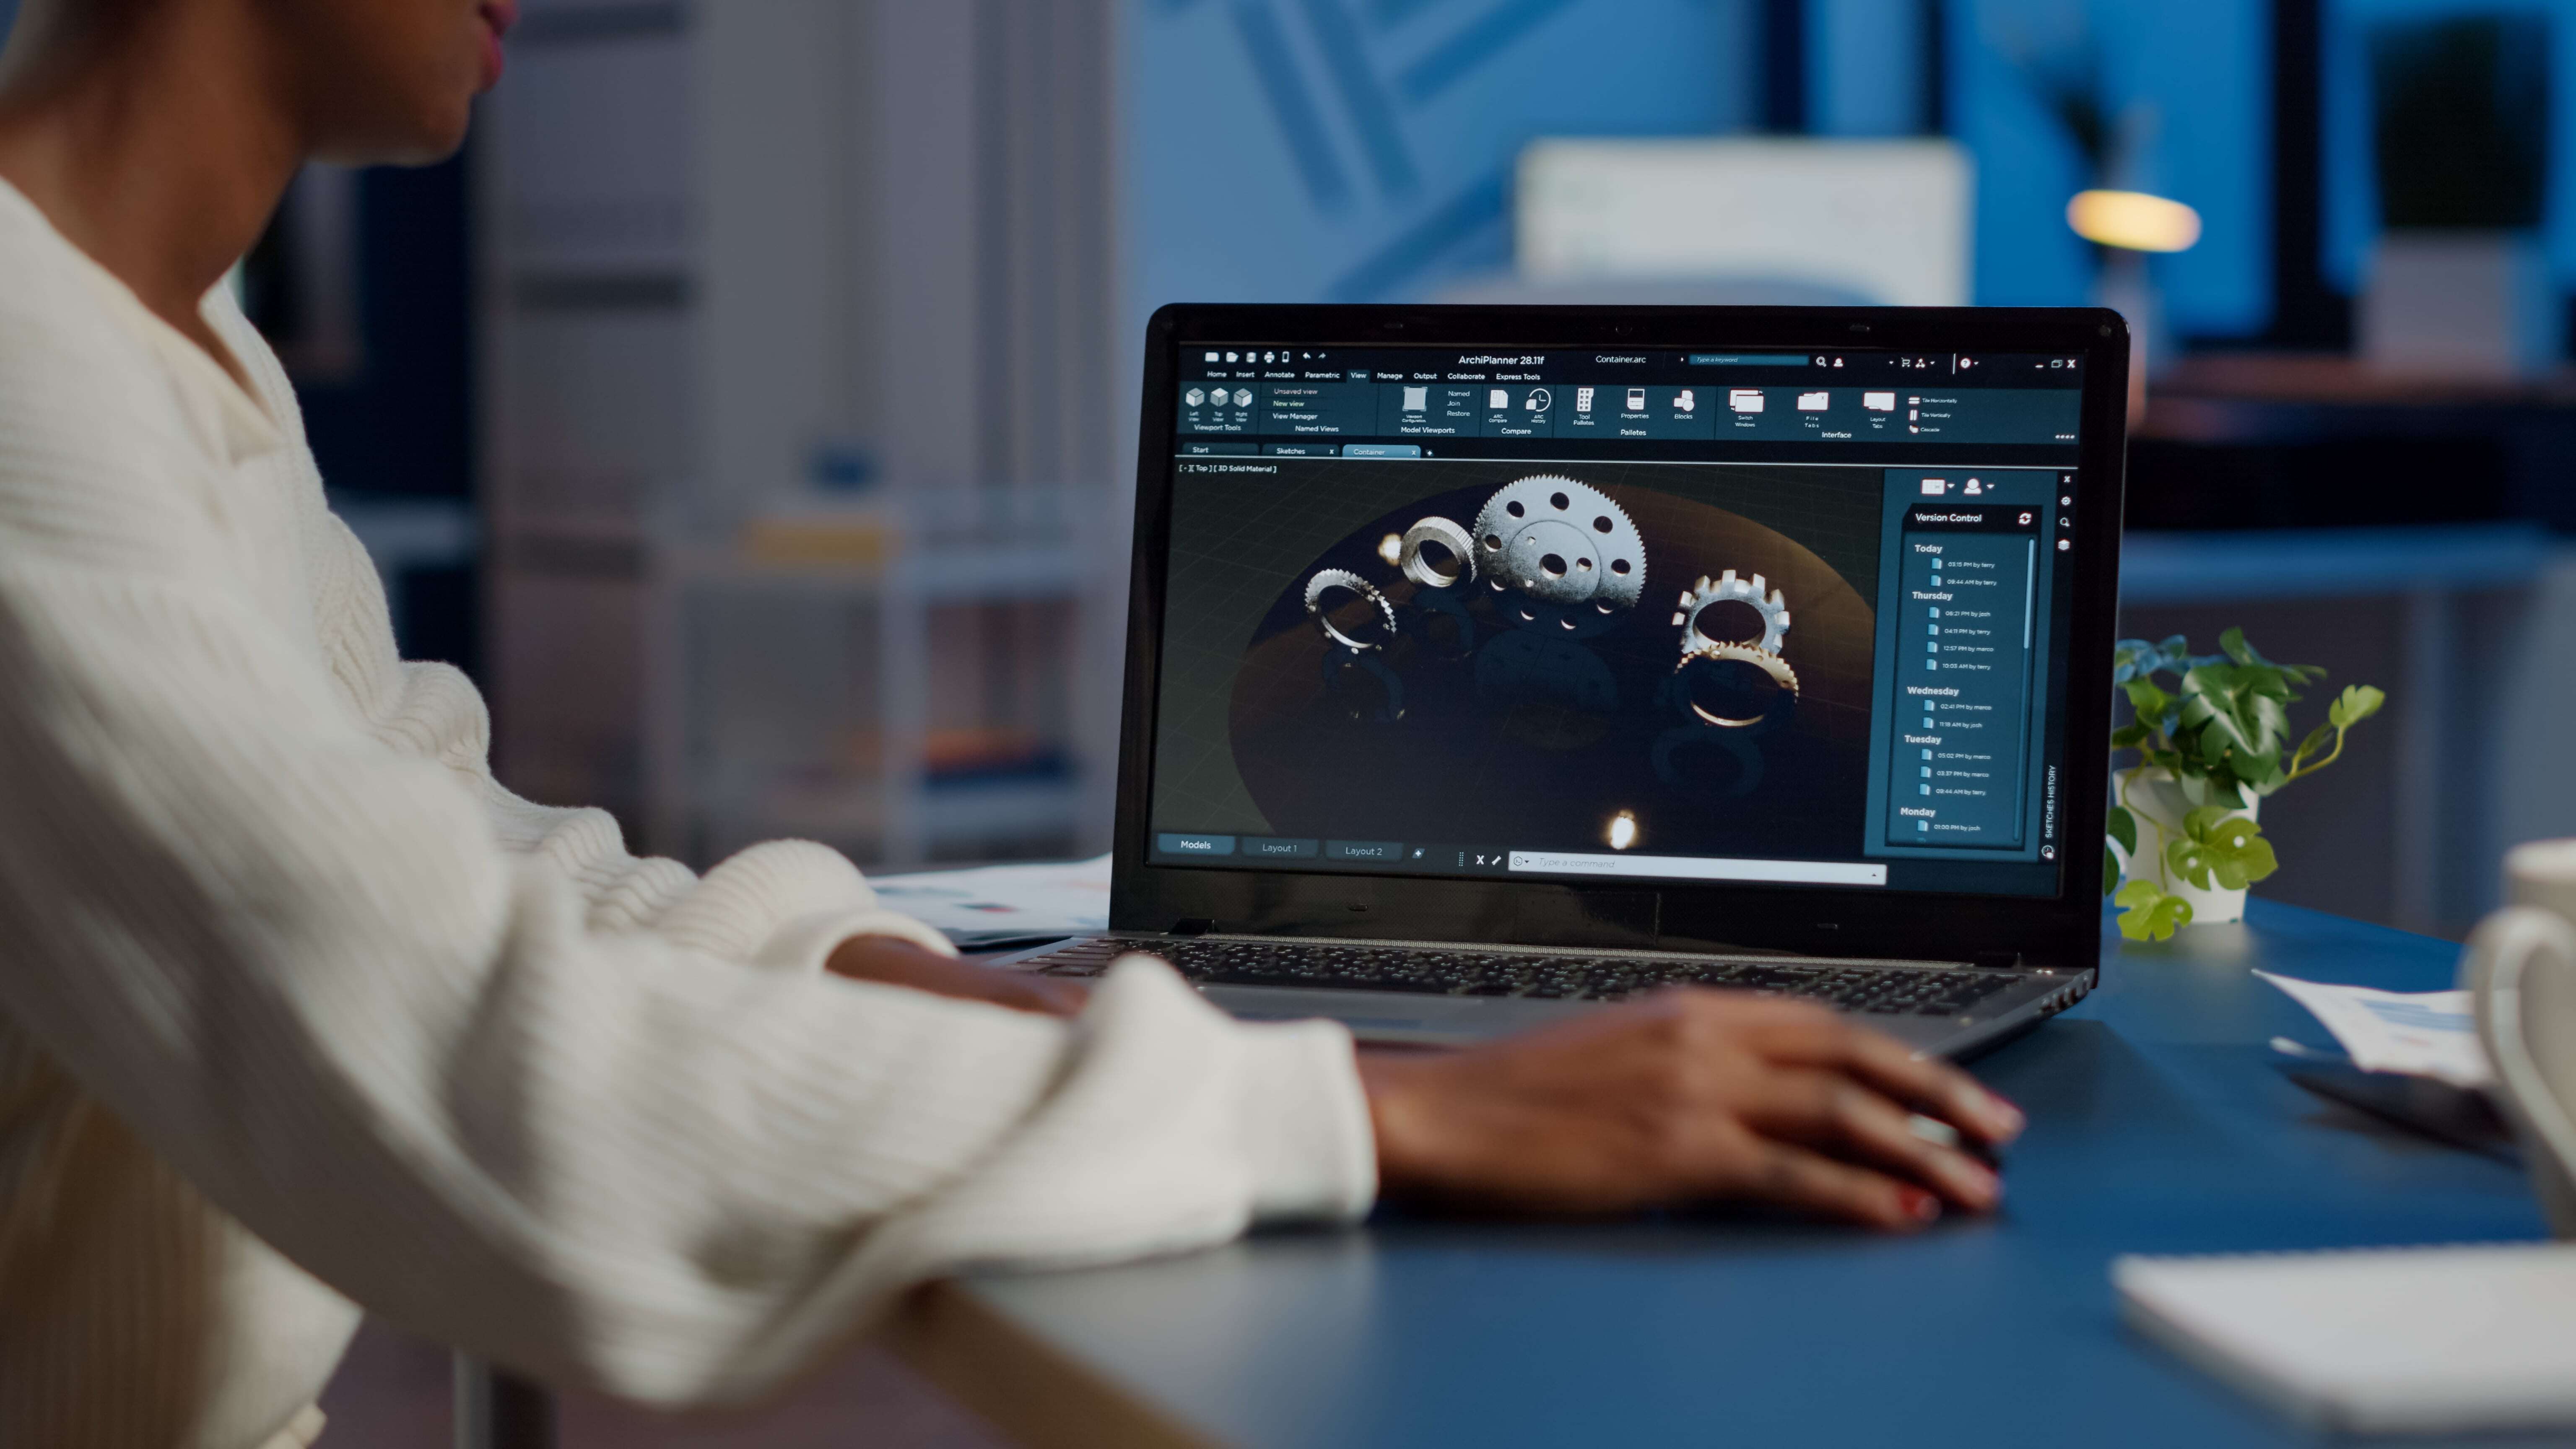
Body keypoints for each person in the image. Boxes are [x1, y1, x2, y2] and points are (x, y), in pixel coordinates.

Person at [0, 2, 2023, 1446]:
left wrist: (952, 993)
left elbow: (456, 854)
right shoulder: (27, 392)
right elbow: (459, 1040)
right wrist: (1396, 1113)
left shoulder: (176, 354)